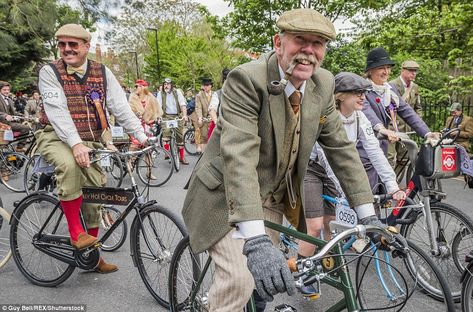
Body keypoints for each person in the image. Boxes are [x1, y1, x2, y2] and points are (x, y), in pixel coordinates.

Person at [182, 9, 394, 311]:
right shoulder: (247, 79)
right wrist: (254, 241)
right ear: (278, 43)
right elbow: (239, 157)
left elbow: (342, 151)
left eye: (318, 43)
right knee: (240, 282)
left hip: (271, 198)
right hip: (226, 194)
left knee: (265, 283)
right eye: (300, 40)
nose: (309, 50)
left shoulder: (322, 84)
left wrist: (369, 215)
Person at [37, 24, 148, 273]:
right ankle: (77, 233)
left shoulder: (102, 71)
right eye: (62, 44)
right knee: (69, 164)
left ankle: (93, 256)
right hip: (55, 135)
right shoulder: (49, 72)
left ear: (87, 46)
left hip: (91, 140)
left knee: (96, 191)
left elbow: (120, 106)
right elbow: (57, 113)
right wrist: (75, 144)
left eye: (73, 44)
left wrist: (141, 136)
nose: (67, 49)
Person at [298, 72, 407, 278]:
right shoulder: (326, 117)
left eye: (364, 92)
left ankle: (328, 264)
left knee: (332, 224)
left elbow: (375, 151)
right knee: (314, 226)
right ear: (340, 96)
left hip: (336, 169)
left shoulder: (359, 117)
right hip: (312, 169)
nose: (362, 97)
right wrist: (347, 194)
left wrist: (392, 185)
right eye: (356, 93)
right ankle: (304, 272)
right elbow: (328, 159)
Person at [362, 47, 438, 190]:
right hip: (364, 149)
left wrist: (427, 133)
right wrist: (382, 129)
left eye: (388, 68)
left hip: (382, 145)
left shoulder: (389, 89)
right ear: (370, 70)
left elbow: (408, 112)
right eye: (381, 68)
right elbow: (366, 111)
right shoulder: (362, 88)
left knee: (381, 193)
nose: (386, 72)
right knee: (369, 195)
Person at [388, 60, 422, 181]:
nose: (414, 74)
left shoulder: (415, 87)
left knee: (403, 158)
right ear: (403, 71)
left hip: (407, 129)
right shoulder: (391, 85)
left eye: (415, 71)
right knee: (389, 158)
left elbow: (418, 108)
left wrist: (417, 124)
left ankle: (395, 181)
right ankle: (386, 184)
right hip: (392, 127)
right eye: (411, 71)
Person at [157, 78, 189, 165]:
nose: (166, 86)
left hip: (177, 116)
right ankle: (167, 153)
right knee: (166, 136)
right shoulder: (161, 93)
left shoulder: (177, 92)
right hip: (166, 116)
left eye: (168, 84)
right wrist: (159, 117)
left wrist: (185, 115)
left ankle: (182, 157)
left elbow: (182, 104)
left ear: (172, 85)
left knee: (180, 138)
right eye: (165, 84)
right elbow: (158, 106)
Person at [0, 81, 30, 153]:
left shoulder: (9, 100)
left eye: (8, 90)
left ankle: (12, 149)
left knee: (27, 128)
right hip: (2, 124)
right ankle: (19, 147)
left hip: (8, 123)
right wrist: (5, 115)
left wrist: (25, 116)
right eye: (4, 90)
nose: (7, 91)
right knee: (25, 128)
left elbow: (14, 113)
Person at [208, 69, 230, 138]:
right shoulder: (217, 94)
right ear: (224, 81)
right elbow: (212, 110)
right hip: (220, 124)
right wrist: (216, 122)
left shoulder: (238, 94)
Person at [194, 78, 214, 151]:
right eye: (204, 85)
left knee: (214, 138)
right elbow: (198, 107)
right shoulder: (199, 95)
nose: (205, 87)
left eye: (207, 85)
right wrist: (200, 117)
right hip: (204, 119)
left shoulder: (215, 94)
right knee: (204, 138)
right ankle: (203, 155)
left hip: (214, 119)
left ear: (211, 86)